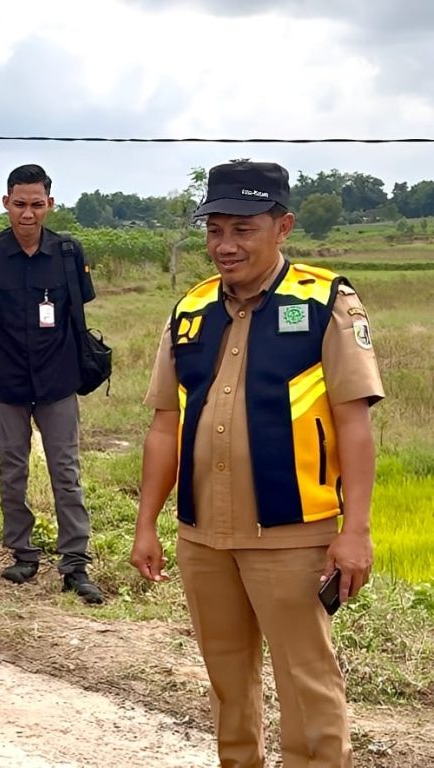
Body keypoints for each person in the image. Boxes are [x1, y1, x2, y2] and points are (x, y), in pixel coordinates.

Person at [129, 160, 383, 767]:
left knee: (307, 681)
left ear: (282, 227)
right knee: (226, 680)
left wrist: (356, 530)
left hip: (293, 534)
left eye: (243, 230)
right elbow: (164, 424)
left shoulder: (325, 302)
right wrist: (147, 524)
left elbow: (354, 423)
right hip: (203, 537)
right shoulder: (190, 310)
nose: (226, 245)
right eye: (215, 230)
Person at [0, 164, 103, 604]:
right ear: (6, 203)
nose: (28, 213)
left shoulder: (68, 253)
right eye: (19, 204)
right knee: (13, 469)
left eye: (37, 204)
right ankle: (22, 552)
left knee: (66, 471)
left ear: (50, 204)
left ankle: (75, 563)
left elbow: (77, 315)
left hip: (58, 380)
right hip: (6, 383)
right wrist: (5, 359)